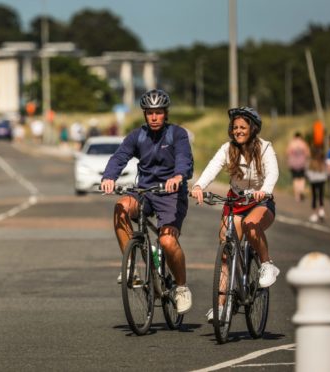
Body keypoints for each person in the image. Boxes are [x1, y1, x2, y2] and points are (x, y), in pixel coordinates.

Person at [100, 89, 194, 315]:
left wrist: (178, 176)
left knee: (168, 243)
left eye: (159, 113)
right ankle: (131, 265)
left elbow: (184, 159)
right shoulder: (137, 136)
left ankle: (181, 288)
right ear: (144, 114)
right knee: (121, 207)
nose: (154, 117)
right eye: (150, 113)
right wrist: (108, 177)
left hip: (171, 194)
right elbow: (120, 156)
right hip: (145, 191)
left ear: (165, 113)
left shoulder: (177, 134)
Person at [190, 107, 279, 323]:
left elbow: (273, 172)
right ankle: (222, 306)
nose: (238, 131)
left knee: (250, 224)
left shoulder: (265, 148)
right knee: (225, 250)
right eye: (235, 127)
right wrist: (199, 185)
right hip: (235, 201)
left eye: (243, 127)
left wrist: (264, 190)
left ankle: (267, 265)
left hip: (260, 201)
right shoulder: (227, 149)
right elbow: (212, 167)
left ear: (253, 129)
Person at [286, 132, 310, 202]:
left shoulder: (292, 143)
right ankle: (301, 190)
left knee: (295, 179)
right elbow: (308, 153)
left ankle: (297, 195)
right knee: (302, 178)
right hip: (302, 163)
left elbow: (287, 152)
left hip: (293, 164)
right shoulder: (303, 143)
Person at [306, 147, 328, 222]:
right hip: (322, 180)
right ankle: (321, 211)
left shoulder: (311, 161)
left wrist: (310, 178)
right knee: (321, 195)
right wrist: (325, 177)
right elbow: (326, 171)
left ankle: (314, 214)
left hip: (314, 181)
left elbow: (307, 171)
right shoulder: (323, 161)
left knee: (314, 197)